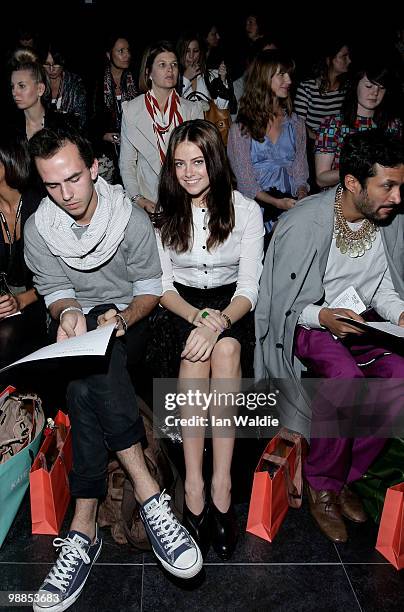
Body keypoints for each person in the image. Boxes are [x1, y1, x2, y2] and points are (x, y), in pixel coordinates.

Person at [24, 125, 202, 612]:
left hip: (132, 323)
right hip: (79, 332)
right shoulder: (40, 228)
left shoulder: (131, 221)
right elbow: (53, 288)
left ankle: (83, 531)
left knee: (97, 367)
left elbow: (149, 291)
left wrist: (119, 319)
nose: (66, 195)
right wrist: (67, 313)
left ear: (95, 168)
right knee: (85, 386)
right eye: (53, 186)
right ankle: (148, 495)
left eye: (74, 179)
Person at [255, 129, 404, 543]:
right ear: (353, 183)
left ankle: (347, 477)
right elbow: (281, 302)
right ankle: (322, 483)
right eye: (387, 186)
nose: (396, 197)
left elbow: (382, 287)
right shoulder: (305, 222)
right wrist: (322, 316)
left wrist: (401, 314)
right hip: (309, 322)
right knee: (346, 379)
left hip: (361, 321)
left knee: (400, 376)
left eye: (399, 186)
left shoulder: (387, 221)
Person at [154, 119, 264, 559]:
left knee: (229, 347)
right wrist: (198, 317)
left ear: (215, 162)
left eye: (198, 162)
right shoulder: (165, 216)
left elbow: (249, 290)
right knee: (197, 356)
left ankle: (220, 484)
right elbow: (162, 289)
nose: (189, 172)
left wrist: (216, 322)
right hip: (180, 309)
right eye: (179, 164)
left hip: (231, 309)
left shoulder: (246, 211)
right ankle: (195, 484)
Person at [227, 50, 309, 232]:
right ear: (264, 77)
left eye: (289, 75)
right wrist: (276, 203)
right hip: (256, 212)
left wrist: (302, 197)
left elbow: (300, 172)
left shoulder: (296, 124)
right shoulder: (241, 129)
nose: (288, 80)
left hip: (291, 208)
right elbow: (246, 182)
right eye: (281, 74)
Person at [119, 40, 203, 214]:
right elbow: (127, 163)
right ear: (149, 72)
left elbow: (201, 160)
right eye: (162, 65)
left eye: (173, 65)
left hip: (186, 199)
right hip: (149, 200)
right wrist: (138, 199)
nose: (170, 70)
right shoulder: (132, 111)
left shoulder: (192, 109)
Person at [0, 131, 46, 370]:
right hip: (6, 300)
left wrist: (20, 300)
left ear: (8, 160)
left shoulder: (39, 205)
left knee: (7, 336)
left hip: (42, 296)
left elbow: (60, 276)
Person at [315, 62, 402, 189]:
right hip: (340, 196)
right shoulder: (333, 125)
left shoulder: (393, 126)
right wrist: (360, 169)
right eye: (369, 86)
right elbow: (321, 178)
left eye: (381, 88)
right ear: (355, 85)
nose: (375, 93)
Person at [90, 34, 138, 184]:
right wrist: (104, 136)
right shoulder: (97, 83)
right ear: (108, 55)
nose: (126, 55)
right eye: (121, 51)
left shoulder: (135, 79)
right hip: (105, 151)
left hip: (133, 146)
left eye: (128, 50)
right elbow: (88, 121)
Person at [294, 41, 351, 141]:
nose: (349, 60)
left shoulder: (347, 87)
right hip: (312, 144)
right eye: (344, 56)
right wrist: (322, 141)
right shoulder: (307, 87)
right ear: (329, 60)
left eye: (348, 56)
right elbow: (298, 125)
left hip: (340, 144)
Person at [176, 32, 235, 112]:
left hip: (209, 124)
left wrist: (222, 80)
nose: (191, 56)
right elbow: (172, 106)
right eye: (187, 51)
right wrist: (185, 79)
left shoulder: (211, 75)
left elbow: (223, 108)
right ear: (181, 53)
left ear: (200, 53)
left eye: (195, 51)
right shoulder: (173, 79)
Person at [40, 40, 87, 130]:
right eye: (46, 64)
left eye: (55, 64)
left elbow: (82, 120)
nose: (51, 69)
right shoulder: (37, 82)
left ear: (63, 61)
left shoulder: (75, 83)